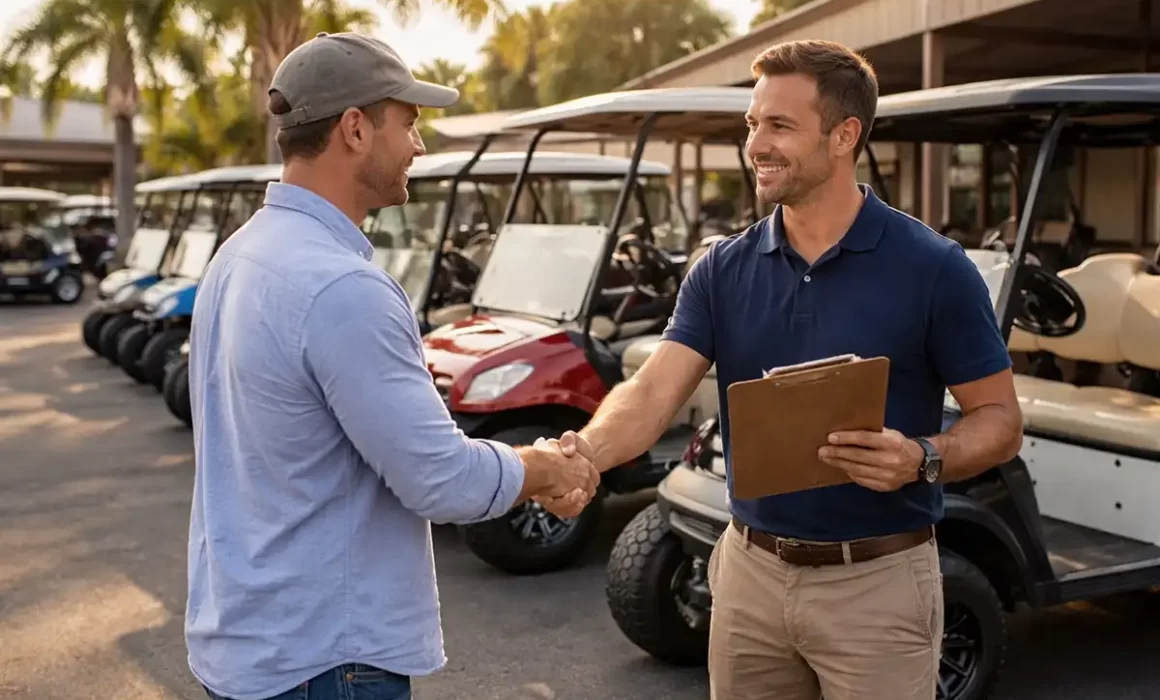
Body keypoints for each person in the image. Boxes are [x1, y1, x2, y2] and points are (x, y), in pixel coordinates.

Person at [546, 39, 1024, 698]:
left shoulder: (934, 268)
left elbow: (1000, 419)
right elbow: (654, 388)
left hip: (878, 584)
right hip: (748, 575)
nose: (756, 144)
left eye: (779, 126)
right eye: (752, 124)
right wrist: (583, 455)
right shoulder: (721, 268)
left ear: (843, 136)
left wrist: (923, 457)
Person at [184, 32, 598, 700]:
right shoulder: (340, 287)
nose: (418, 146)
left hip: (248, 647)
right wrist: (547, 465)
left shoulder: (238, 257)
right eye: (408, 123)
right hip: (326, 662)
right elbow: (442, 480)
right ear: (354, 129)